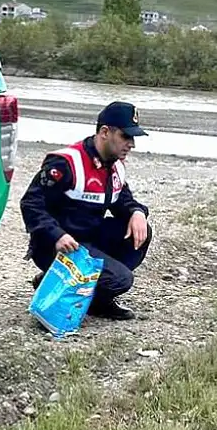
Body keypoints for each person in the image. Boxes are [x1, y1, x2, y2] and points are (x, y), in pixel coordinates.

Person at [19, 101, 153, 321]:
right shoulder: (66, 163)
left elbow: (123, 201)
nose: (132, 144)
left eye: (133, 138)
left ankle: (90, 294)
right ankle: (74, 287)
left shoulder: (115, 165)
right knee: (121, 280)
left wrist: (137, 212)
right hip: (56, 245)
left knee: (141, 231)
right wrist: (56, 235)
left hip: (89, 238)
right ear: (104, 132)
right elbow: (31, 204)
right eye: (126, 137)